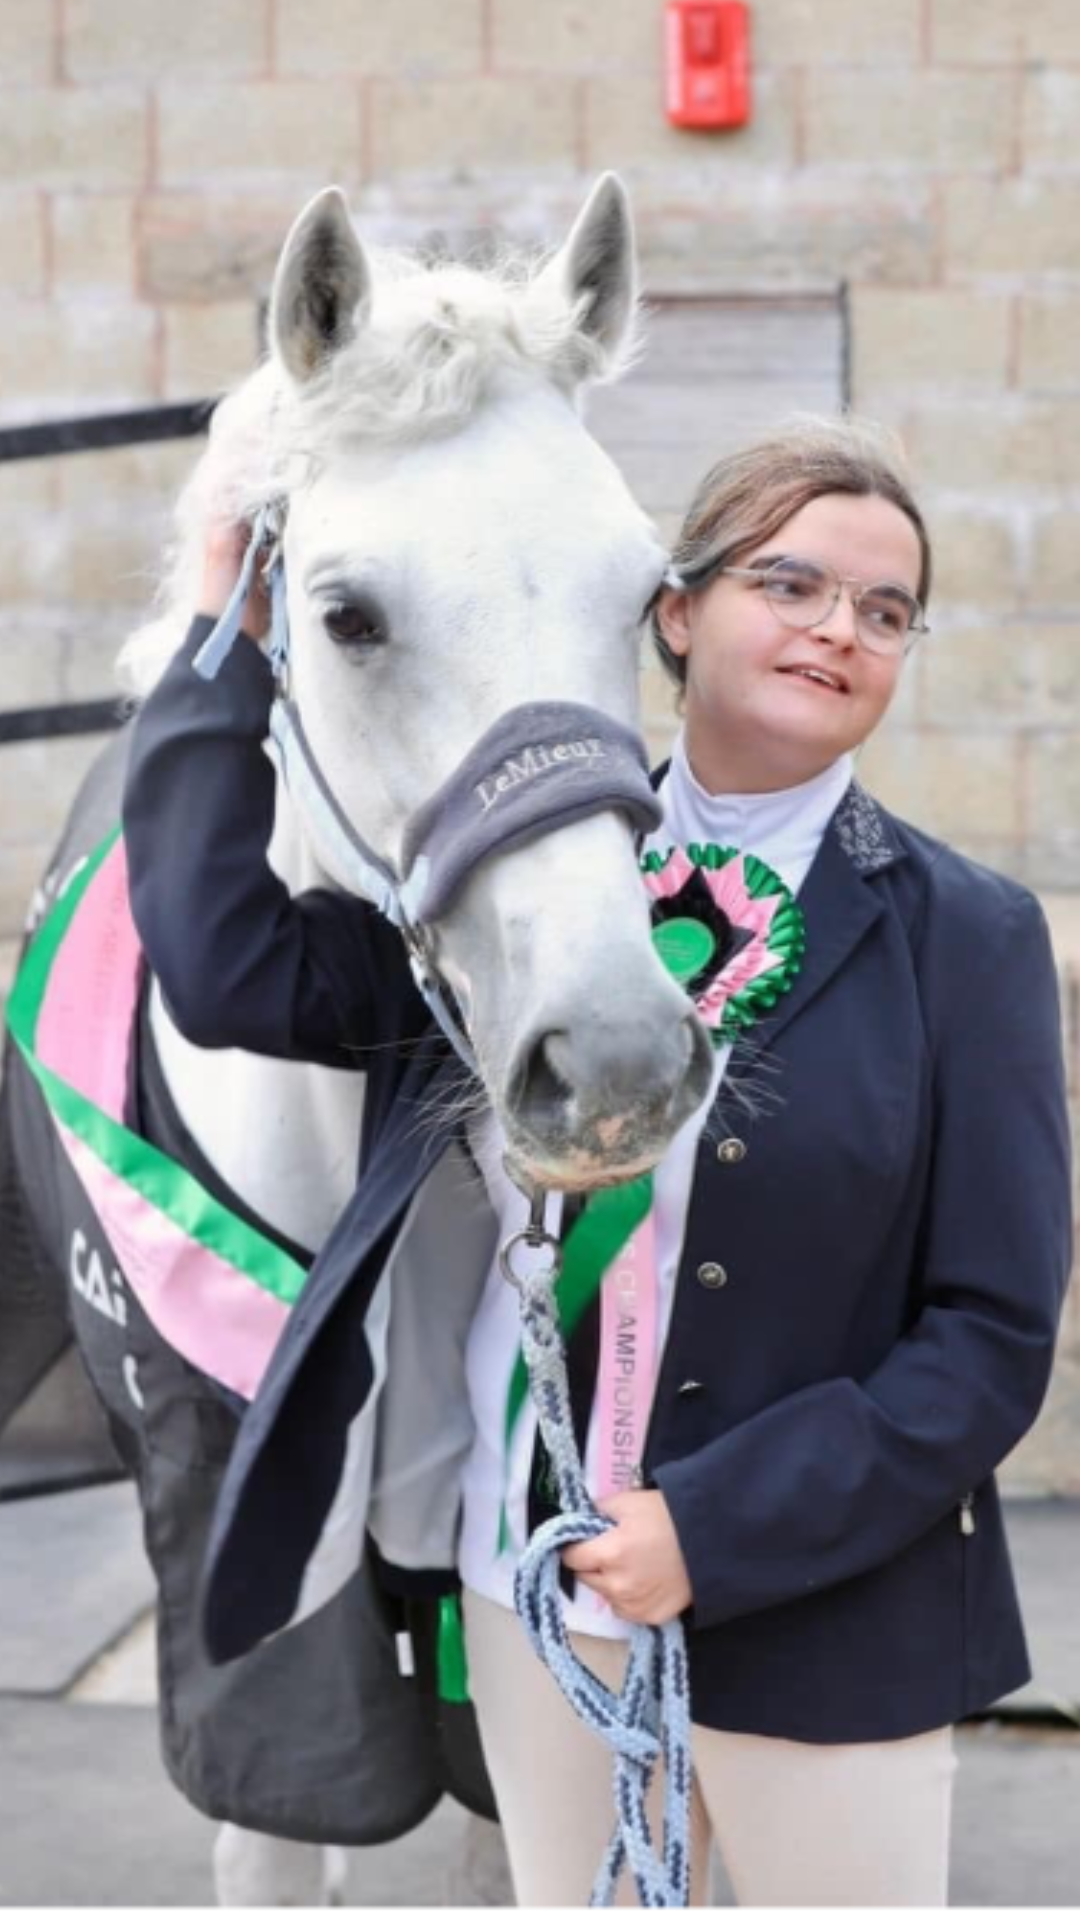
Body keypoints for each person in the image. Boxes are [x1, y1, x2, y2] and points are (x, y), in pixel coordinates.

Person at [121, 416, 1073, 1908]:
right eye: (795, 583)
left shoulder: (969, 937)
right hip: (534, 1604)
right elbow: (225, 965)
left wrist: (714, 1526)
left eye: (885, 612)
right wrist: (216, 627)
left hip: (830, 1623)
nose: (840, 628)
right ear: (676, 615)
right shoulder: (518, 900)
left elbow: (990, 1340)